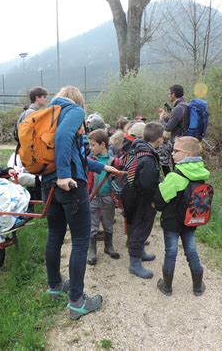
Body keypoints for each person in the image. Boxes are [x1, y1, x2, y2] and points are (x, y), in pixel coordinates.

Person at [40, 86, 119, 320]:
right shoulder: (72, 110)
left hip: (49, 183)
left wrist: (103, 166)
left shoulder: (51, 114)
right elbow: (63, 137)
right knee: (81, 240)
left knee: (55, 235)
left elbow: (80, 158)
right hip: (70, 185)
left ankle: (54, 287)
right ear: (77, 101)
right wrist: (65, 174)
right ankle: (77, 301)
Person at [153, 136, 209, 296]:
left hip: (172, 222)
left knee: (171, 252)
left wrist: (162, 187)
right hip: (191, 220)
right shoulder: (201, 173)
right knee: (191, 250)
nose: (172, 153)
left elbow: (159, 201)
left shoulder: (175, 177)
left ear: (187, 154)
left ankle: (167, 286)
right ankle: (198, 286)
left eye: (176, 150)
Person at [126, 121, 163, 279]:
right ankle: (134, 263)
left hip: (134, 197)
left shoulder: (139, 149)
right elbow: (148, 185)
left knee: (138, 226)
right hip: (143, 201)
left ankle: (140, 253)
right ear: (159, 139)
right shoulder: (148, 158)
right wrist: (153, 201)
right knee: (141, 228)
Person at [86, 129, 119, 265]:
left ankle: (108, 246)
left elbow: (117, 181)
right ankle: (91, 250)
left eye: (93, 145)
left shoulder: (114, 161)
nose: (90, 147)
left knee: (108, 223)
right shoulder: (89, 160)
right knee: (92, 224)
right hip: (92, 197)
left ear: (103, 145)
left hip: (108, 197)